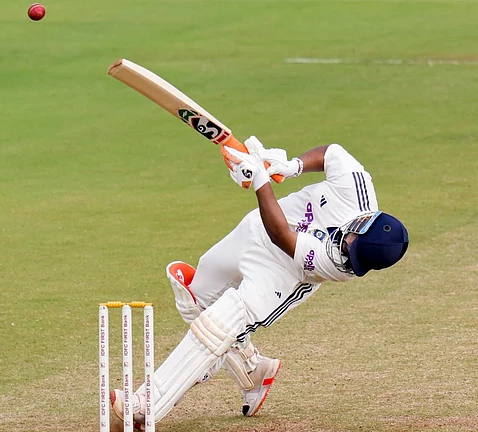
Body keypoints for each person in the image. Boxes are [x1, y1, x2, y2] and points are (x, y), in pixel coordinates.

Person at [110, 137, 410, 430]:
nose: (346, 254)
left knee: (218, 325)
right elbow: (331, 153)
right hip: (254, 230)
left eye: (355, 258)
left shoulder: (336, 265)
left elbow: (281, 235)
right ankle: (253, 369)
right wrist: (292, 166)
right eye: (352, 245)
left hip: (283, 274)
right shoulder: (355, 188)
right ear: (363, 223)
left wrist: (260, 179)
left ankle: (147, 405)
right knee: (196, 302)